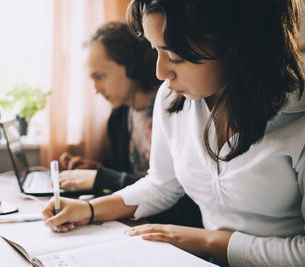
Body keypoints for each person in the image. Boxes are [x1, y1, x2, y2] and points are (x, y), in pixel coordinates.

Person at [43, 0, 305, 266]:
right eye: (155, 50)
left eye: (175, 56)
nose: (160, 73)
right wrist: (88, 210)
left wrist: (207, 241)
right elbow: (161, 185)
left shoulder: (298, 121)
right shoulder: (172, 98)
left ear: (236, 46)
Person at [58, 21, 202, 226]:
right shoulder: (119, 118)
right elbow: (135, 178)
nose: (96, 89)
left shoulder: (177, 109)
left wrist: (102, 178)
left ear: (131, 66)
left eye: (100, 77)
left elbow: (176, 196)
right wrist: (98, 169)